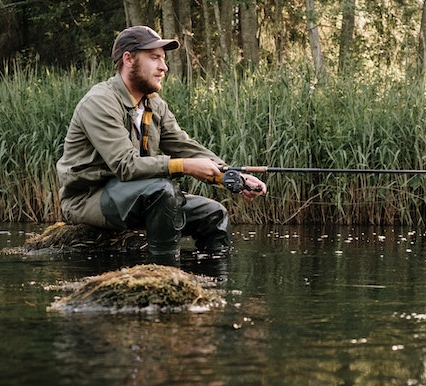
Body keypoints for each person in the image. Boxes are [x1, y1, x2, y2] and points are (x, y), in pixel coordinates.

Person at [56, 25, 267, 260]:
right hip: (88, 199)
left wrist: (231, 175)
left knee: (214, 214)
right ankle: (164, 275)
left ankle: (212, 288)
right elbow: (126, 166)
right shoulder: (99, 102)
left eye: (163, 60)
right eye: (155, 58)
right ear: (128, 59)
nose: (163, 67)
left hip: (141, 195)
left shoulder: (154, 105)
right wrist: (184, 166)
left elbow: (184, 146)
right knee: (162, 190)